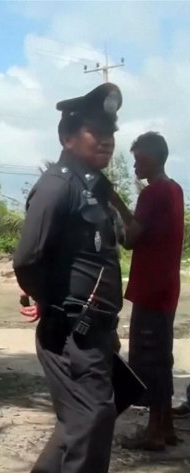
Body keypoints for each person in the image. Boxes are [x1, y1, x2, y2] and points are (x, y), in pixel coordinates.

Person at [14, 83, 123, 473]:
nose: (107, 141)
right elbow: (27, 259)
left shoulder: (94, 186)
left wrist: (106, 326)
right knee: (93, 421)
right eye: (97, 132)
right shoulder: (58, 186)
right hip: (70, 334)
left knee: (78, 424)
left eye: (110, 133)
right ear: (68, 137)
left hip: (93, 331)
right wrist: (56, 303)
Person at [109, 132, 184, 450]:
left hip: (150, 289)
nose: (135, 164)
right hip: (166, 287)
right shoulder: (175, 189)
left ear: (152, 158)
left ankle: (153, 433)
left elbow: (131, 238)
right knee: (161, 359)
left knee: (149, 360)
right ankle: (164, 427)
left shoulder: (153, 193)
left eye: (138, 158)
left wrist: (115, 202)